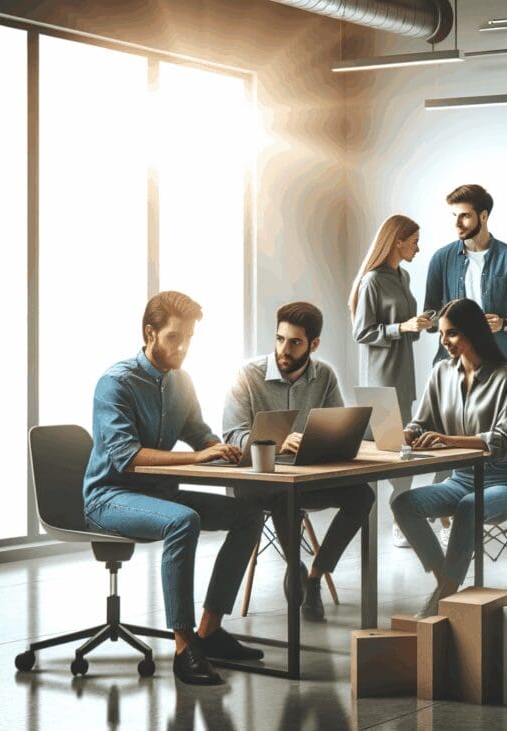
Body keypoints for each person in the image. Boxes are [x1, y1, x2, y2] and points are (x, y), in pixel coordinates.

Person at [82, 291, 263, 686]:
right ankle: (184, 648)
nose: (183, 347)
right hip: (110, 498)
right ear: (151, 333)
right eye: (174, 337)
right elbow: (126, 457)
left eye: (189, 338)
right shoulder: (115, 383)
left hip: (158, 494)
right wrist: (197, 459)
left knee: (250, 515)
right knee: (184, 521)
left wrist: (241, 452)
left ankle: (210, 631)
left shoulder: (182, 382)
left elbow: (201, 436)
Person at [222, 301, 375, 622]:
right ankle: (295, 565)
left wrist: (328, 442)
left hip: (306, 478)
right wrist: (277, 441)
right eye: (280, 339)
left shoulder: (325, 376)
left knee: (362, 494)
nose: (284, 349)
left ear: (313, 344)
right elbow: (232, 436)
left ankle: (315, 575)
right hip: (256, 482)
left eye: (294, 342)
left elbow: (338, 427)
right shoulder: (247, 376)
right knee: (282, 495)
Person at [391, 298, 507, 617]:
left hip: (501, 480)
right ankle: (446, 583)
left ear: (473, 333)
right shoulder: (441, 373)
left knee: (468, 507)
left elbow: (505, 443)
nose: (444, 342)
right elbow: (420, 422)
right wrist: (404, 434)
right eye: (441, 334)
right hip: (460, 479)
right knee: (403, 504)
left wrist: (447, 439)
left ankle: (444, 593)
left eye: (450, 334)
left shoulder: (504, 376)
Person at [422, 185, 507, 549]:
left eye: (465, 215)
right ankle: (446, 518)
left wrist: (503, 323)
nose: (458, 222)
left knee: (493, 440)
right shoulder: (442, 259)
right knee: (441, 437)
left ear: (484, 216)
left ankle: (470, 512)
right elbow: (432, 309)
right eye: (454, 215)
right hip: (451, 363)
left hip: (497, 362)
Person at [350, 214, 431, 548]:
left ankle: (400, 517)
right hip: (381, 382)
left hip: (403, 378)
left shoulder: (403, 275)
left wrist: (421, 324)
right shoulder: (372, 281)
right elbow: (362, 332)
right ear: (397, 241)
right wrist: (402, 328)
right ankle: (392, 521)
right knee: (391, 455)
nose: (418, 248)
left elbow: (403, 325)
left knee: (403, 454)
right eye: (414, 242)